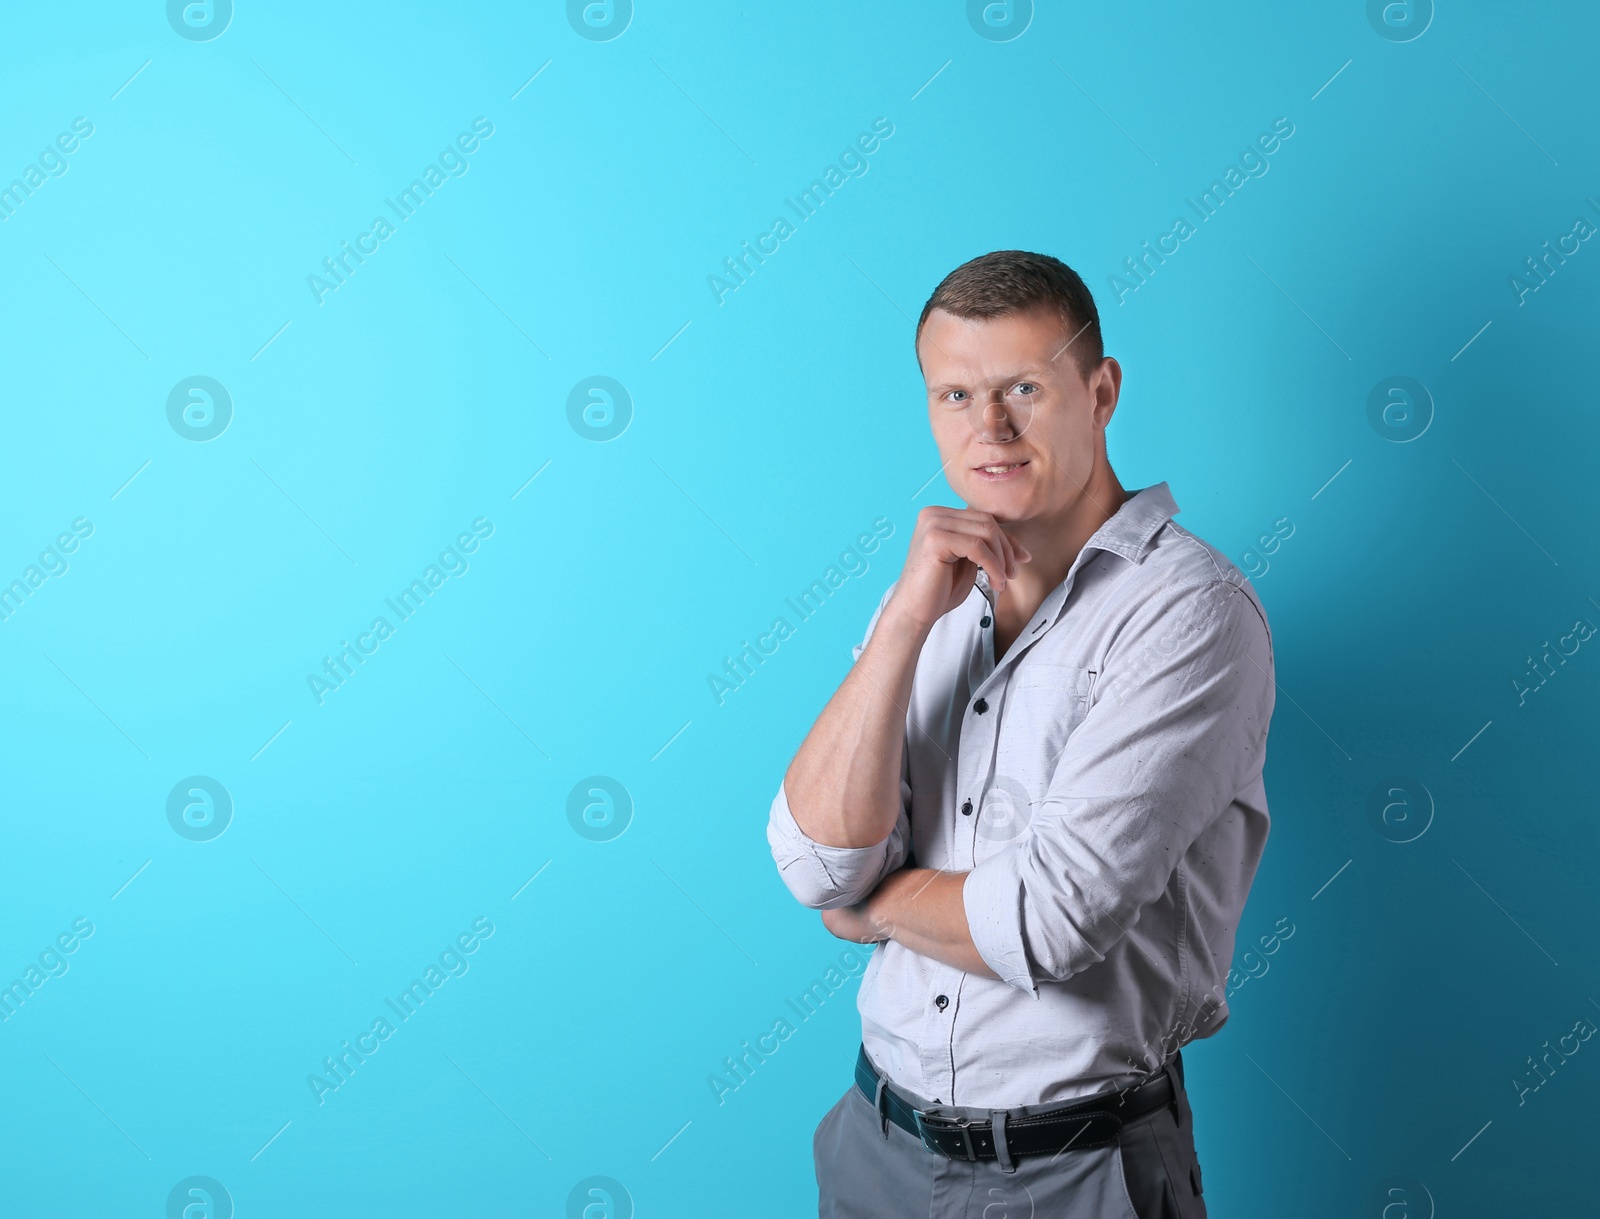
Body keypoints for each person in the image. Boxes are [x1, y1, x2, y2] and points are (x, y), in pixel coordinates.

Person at [766, 250, 1276, 1217]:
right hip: (876, 1143)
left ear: (1102, 390)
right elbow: (811, 862)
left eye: (1022, 390)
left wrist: (870, 909)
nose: (987, 428)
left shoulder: (1188, 613)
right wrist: (909, 624)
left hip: (1077, 1167)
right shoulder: (927, 597)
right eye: (954, 394)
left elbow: (1049, 920)